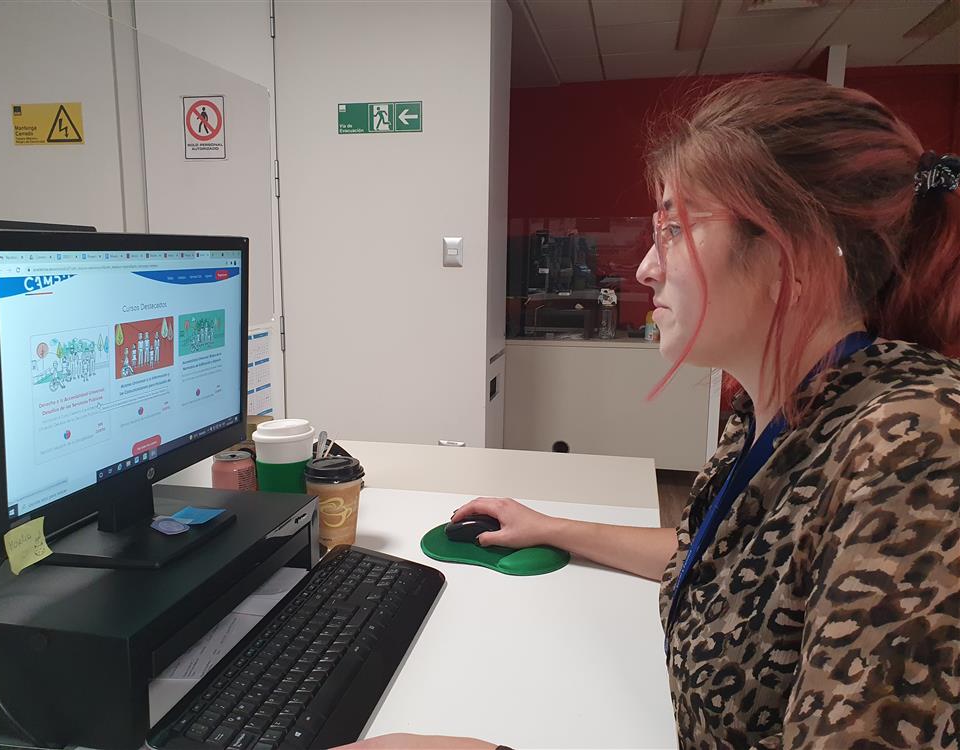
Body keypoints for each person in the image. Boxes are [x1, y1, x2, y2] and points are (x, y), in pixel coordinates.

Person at [336, 75, 960, 750]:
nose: (642, 269)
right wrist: (551, 526)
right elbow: (714, 562)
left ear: (794, 251)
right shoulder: (773, 416)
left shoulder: (915, 446)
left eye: (672, 229)